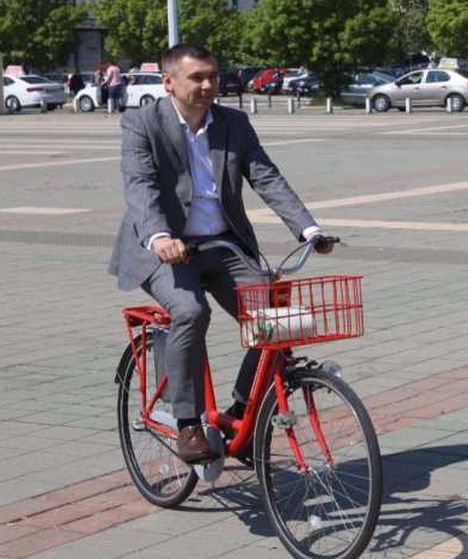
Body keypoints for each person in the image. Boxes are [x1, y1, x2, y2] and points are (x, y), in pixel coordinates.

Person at [108, 43, 332, 464]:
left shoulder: (234, 123)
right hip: (166, 251)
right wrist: (158, 236)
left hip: (225, 246)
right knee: (191, 312)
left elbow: (267, 178)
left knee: (279, 321)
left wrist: (309, 228)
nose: (209, 85)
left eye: (213, 76)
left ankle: (242, 414)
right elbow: (141, 186)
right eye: (197, 78)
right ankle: (188, 423)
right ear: (169, 82)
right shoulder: (142, 123)